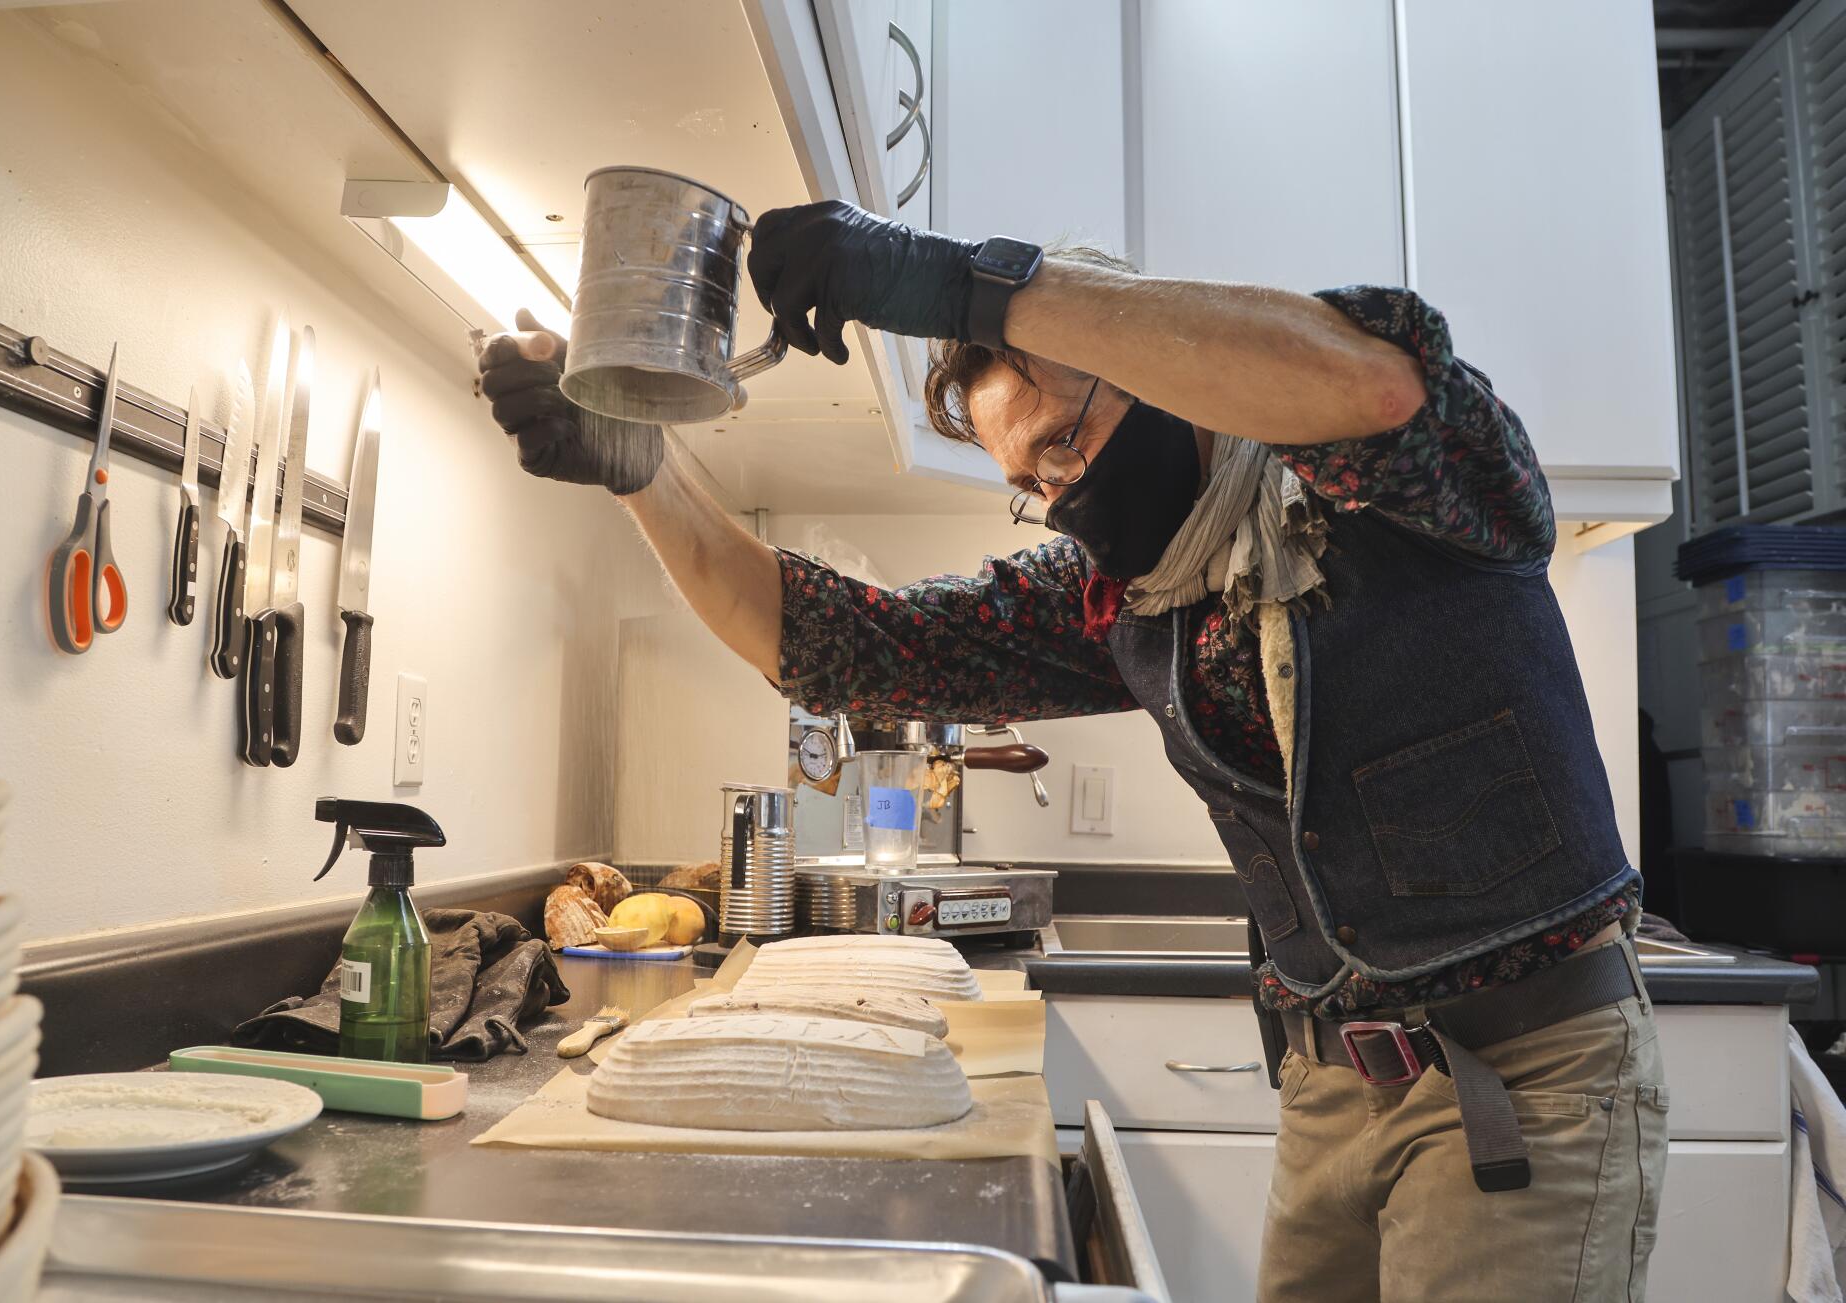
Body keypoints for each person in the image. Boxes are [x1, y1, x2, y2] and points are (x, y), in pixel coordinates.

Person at [479, 200, 1667, 1302]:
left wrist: (960, 287)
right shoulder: (1130, 593)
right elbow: (842, 642)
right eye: (1028, 480)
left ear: (1155, 370)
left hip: (1525, 1077)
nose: (1060, 492)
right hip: (1332, 1087)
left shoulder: (1404, 493)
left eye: (1064, 440)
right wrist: (642, 472)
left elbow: (1367, 382)